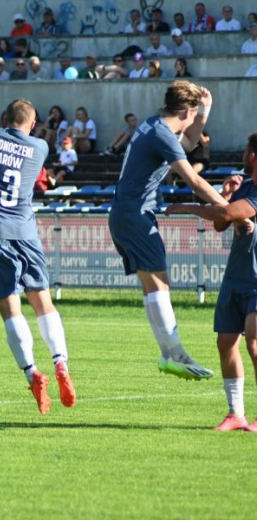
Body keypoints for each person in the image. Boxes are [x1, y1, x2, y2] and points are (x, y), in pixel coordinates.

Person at [108, 80, 252, 380]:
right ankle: (177, 354)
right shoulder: (161, 133)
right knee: (159, 286)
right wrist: (230, 212)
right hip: (135, 215)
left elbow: (186, 144)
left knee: (152, 287)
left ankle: (168, 354)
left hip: (126, 213)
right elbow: (195, 181)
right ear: (186, 110)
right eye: (195, 113)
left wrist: (205, 113)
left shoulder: (153, 125)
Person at [0, 99, 76, 415]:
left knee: (10, 309)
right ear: (34, 121)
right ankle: (60, 362)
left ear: (4, 117)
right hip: (26, 232)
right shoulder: (40, 147)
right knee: (43, 302)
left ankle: (32, 373)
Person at [164, 134, 257, 431]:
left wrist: (186, 207)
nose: (242, 154)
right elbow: (222, 223)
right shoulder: (247, 186)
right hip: (236, 276)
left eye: (245, 150)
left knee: (255, 343)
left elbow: (228, 215)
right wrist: (227, 195)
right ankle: (235, 415)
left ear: (253, 156)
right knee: (226, 342)